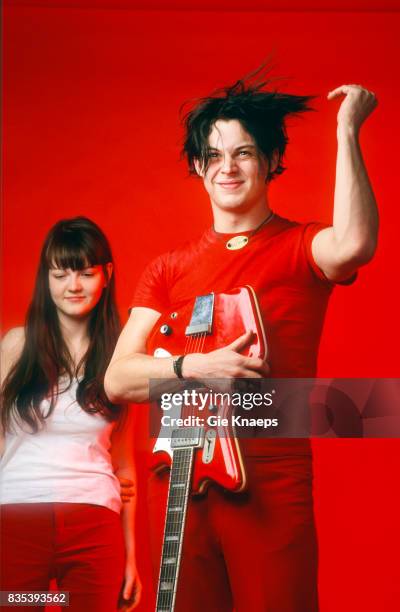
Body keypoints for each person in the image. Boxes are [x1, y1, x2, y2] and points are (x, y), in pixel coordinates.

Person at [104, 68, 378, 611]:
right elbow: (118, 377)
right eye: (214, 156)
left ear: (272, 161)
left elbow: (353, 244)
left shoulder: (300, 246)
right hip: (182, 485)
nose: (227, 168)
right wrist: (190, 369)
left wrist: (348, 131)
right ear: (198, 167)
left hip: (271, 487)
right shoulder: (168, 268)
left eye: (244, 154)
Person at [0, 217, 141, 611]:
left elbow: (124, 465)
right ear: (47, 280)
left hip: (94, 523)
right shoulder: (16, 347)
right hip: (15, 520)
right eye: (60, 274)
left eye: (84, 273)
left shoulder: (121, 358)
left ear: (106, 274)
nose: (72, 286)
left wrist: (130, 557)